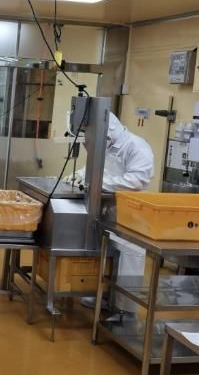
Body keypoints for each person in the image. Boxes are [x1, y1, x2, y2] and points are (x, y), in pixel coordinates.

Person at [65, 112, 154, 314]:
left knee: (128, 259)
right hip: (109, 211)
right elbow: (95, 168)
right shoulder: (106, 147)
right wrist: (78, 175)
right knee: (107, 254)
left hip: (131, 215)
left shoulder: (137, 147)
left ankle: (125, 309)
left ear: (109, 132)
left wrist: (98, 183)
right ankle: (104, 295)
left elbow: (137, 181)